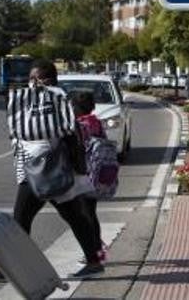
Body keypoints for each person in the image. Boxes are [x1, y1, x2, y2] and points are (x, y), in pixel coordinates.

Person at [0, 59, 104, 281]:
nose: (31, 84)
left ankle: (5, 269)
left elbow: (58, 132)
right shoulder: (40, 103)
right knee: (73, 216)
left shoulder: (55, 103)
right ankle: (94, 260)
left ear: (46, 80)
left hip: (42, 170)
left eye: (35, 79)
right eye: (30, 79)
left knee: (21, 219)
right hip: (48, 171)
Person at [71, 89, 107, 260]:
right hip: (97, 172)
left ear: (78, 107)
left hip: (83, 173)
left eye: (72, 106)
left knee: (85, 214)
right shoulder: (96, 122)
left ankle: (94, 251)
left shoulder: (79, 125)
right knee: (91, 212)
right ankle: (97, 247)